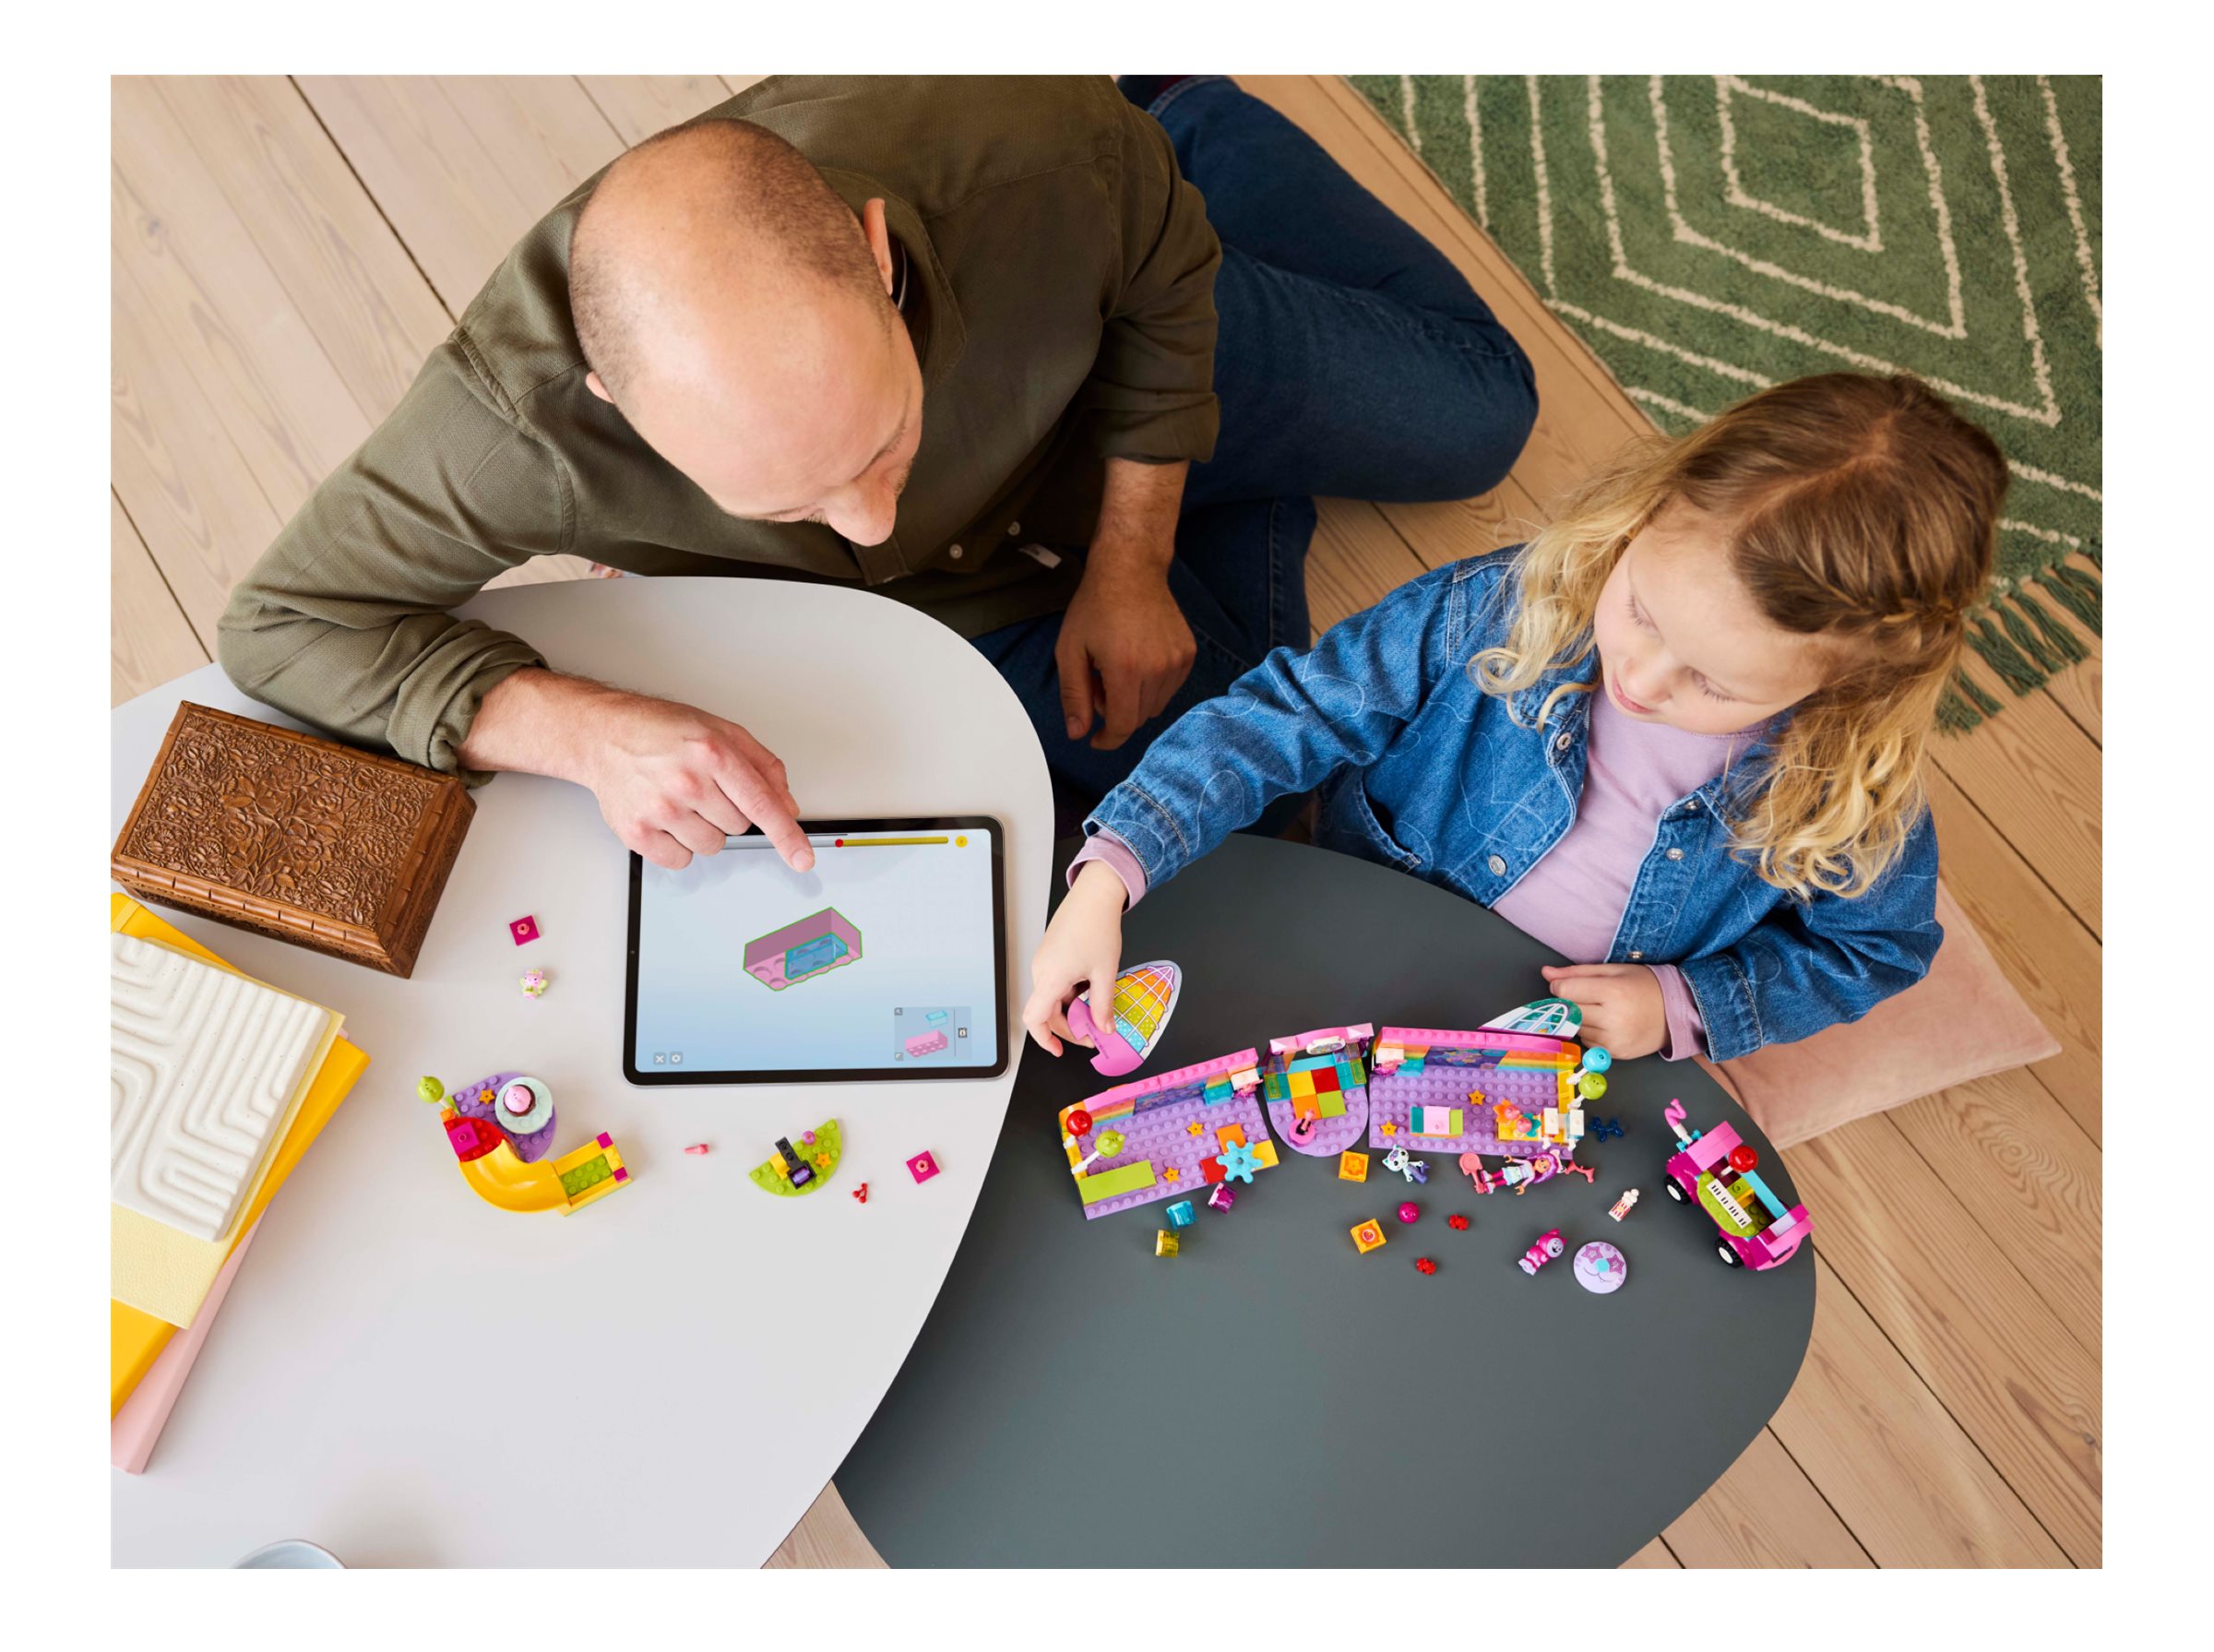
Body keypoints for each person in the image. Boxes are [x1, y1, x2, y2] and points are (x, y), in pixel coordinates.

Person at [217, 76, 1535, 872]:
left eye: (883, 443)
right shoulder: (513, 428)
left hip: (1109, 343)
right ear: (613, 407)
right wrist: (583, 727)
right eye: (791, 506)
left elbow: (1163, 277)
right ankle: (1238, 489)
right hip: (974, 590)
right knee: (1216, 823)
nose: (872, 519)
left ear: (876, 250)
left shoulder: (1033, 140)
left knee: (1484, 418)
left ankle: (1187, 103)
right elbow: (279, 624)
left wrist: (1132, 556)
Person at [1023, 372, 2009, 1064]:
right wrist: (1111, 874)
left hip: (1555, 1038)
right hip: (1352, 911)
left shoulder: (1853, 801)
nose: (1644, 680)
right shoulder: (1498, 607)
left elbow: (1873, 950)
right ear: (1649, 511)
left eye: (1716, 685)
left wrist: (1683, 1006)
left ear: (1849, 686)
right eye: (1640, 611)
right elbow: (1289, 713)